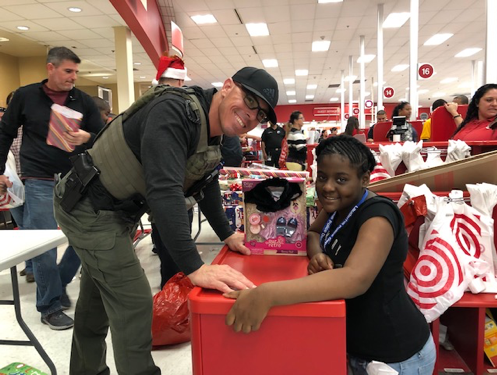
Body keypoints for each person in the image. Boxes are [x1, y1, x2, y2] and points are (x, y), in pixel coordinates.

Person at [53, 66, 279, 374]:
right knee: (134, 303)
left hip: (116, 213)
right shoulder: (173, 110)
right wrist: (195, 267)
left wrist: (227, 234)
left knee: (97, 305)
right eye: (250, 101)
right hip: (88, 208)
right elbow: (164, 191)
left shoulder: (212, 132)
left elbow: (206, 178)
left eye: (261, 115)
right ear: (227, 86)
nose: (252, 116)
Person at [224, 135, 436, 375]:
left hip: (396, 357)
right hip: (356, 348)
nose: (327, 187)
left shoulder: (377, 216)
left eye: (341, 179)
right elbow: (313, 233)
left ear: (364, 179)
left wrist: (267, 294)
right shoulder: (339, 206)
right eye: (323, 177)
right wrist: (318, 256)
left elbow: (355, 279)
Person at [0, 47, 104, 330]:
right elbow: (6, 132)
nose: (73, 77)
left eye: (76, 72)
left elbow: (102, 136)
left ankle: (59, 281)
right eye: (68, 71)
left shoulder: (82, 100)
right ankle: (49, 306)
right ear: (50, 68)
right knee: (42, 244)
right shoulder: (25, 96)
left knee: (85, 237)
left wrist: (87, 136)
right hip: (39, 179)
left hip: (75, 179)